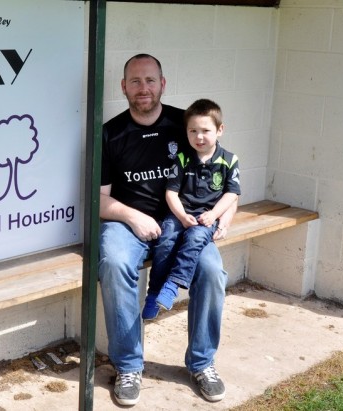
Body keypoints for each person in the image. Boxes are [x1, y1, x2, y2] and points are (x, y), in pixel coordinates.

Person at [99, 54, 237, 406]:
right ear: (123, 87)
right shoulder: (111, 133)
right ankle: (129, 365)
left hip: (184, 224)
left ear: (163, 83)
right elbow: (97, 202)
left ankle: (202, 363)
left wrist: (226, 216)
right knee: (114, 264)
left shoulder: (186, 125)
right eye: (135, 81)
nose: (142, 88)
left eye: (149, 80)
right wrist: (133, 217)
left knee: (212, 271)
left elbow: (228, 179)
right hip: (128, 225)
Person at [141, 99, 240, 320]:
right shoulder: (183, 158)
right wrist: (182, 216)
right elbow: (171, 193)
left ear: (220, 130)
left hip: (206, 218)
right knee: (165, 240)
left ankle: (174, 284)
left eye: (206, 130)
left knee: (194, 240)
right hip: (180, 214)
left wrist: (214, 215)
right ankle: (154, 292)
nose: (199, 137)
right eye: (193, 131)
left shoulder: (229, 161)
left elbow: (232, 194)